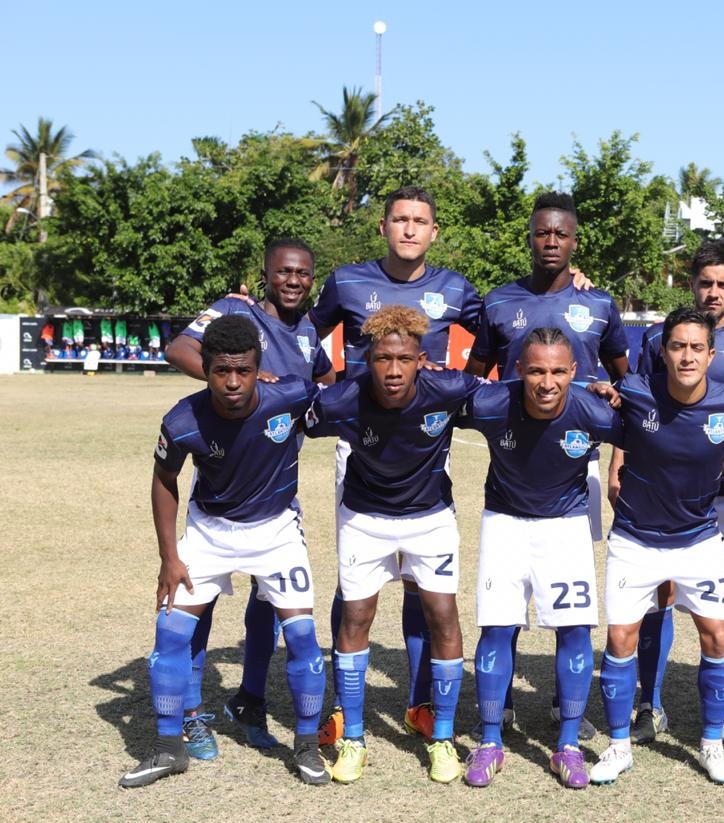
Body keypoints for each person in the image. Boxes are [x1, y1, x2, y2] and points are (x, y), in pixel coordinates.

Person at [120, 315, 328, 788]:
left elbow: (349, 402)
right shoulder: (182, 420)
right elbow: (164, 479)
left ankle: (306, 746)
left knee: (302, 638)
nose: (233, 382)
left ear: (259, 368)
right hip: (209, 533)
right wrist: (170, 558)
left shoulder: (291, 396)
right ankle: (169, 747)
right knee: (168, 635)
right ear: (206, 369)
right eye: (221, 371)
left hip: (276, 532)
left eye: (244, 371)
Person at [307, 186, 482, 747]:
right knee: (355, 578)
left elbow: (501, 335)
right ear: (383, 226)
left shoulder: (456, 288)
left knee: (421, 584)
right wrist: (326, 382)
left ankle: (420, 702)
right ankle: (344, 707)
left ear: (434, 231)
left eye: (420, 221)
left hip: (425, 442)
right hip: (360, 441)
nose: (409, 229)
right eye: (400, 219)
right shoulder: (347, 281)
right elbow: (303, 333)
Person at [465, 191, 629, 737]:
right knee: (505, 600)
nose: (551, 241)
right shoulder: (498, 301)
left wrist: (617, 456)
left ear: (574, 241)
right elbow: (474, 379)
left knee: (568, 603)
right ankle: (503, 701)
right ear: (531, 238)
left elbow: (625, 384)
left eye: (561, 233)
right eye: (542, 232)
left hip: (575, 468)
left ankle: (564, 705)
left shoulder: (599, 302)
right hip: (514, 466)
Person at [163, 238, 334, 759]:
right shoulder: (235, 310)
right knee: (201, 602)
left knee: (269, 605)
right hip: (222, 482)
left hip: (275, 488)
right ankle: (190, 712)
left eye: (302, 274)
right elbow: (179, 349)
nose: (292, 281)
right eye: (282, 272)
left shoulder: (307, 331)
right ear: (264, 275)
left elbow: (326, 383)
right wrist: (236, 381)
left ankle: (251, 700)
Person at [621, 239, 724, 748]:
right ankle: (650, 704)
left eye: (722, 284)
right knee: (659, 594)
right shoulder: (658, 337)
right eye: (705, 282)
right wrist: (620, 464)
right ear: (692, 284)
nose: (713, 292)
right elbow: (636, 407)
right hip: (662, 489)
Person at [590, 307, 724, 786]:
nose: (687, 356)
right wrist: (600, 392)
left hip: (699, 540)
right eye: (678, 346)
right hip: (635, 539)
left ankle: (711, 744)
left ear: (711, 354)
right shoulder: (634, 391)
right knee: (620, 639)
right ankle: (619, 746)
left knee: (718, 636)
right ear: (663, 352)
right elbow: (589, 405)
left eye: (696, 347)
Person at [457, 327, 624, 789]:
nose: (546, 383)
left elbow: (646, 426)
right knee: (496, 628)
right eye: (535, 371)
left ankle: (568, 745)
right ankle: (490, 741)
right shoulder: (490, 403)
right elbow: (432, 399)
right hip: (503, 523)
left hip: (566, 526)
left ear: (574, 371)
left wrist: (617, 398)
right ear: (518, 370)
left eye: (557, 372)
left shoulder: (594, 410)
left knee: (574, 630)